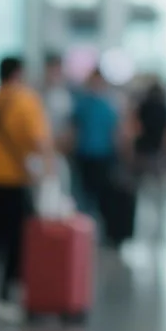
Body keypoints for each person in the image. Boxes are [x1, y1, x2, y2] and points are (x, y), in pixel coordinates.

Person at [0, 56, 50, 323]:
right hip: (16, 179)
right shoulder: (27, 101)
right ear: (19, 73)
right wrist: (47, 169)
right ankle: (5, 296)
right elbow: (39, 140)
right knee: (16, 240)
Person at [63, 68, 122, 230]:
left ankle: (100, 227)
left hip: (104, 155)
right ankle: (85, 227)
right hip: (83, 154)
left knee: (102, 194)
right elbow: (73, 129)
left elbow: (116, 131)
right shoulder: (81, 104)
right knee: (83, 194)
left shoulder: (109, 105)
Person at [41, 53, 73, 134]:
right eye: (52, 68)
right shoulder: (39, 90)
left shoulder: (69, 89)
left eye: (57, 68)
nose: (55, 71)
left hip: (63, 135)